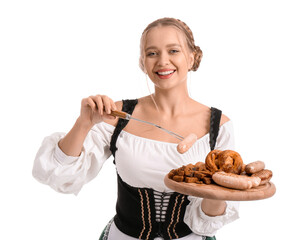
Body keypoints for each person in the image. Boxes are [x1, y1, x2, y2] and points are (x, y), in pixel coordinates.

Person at [32, 17, 239, 240]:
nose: (163, 61)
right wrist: (84, 123)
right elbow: (60, 175)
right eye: (152, 53)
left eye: (173, 51)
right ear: (143, 63)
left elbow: (211, 216)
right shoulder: (115, 115)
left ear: (191, 57)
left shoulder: (218, 125)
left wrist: (219, 189)